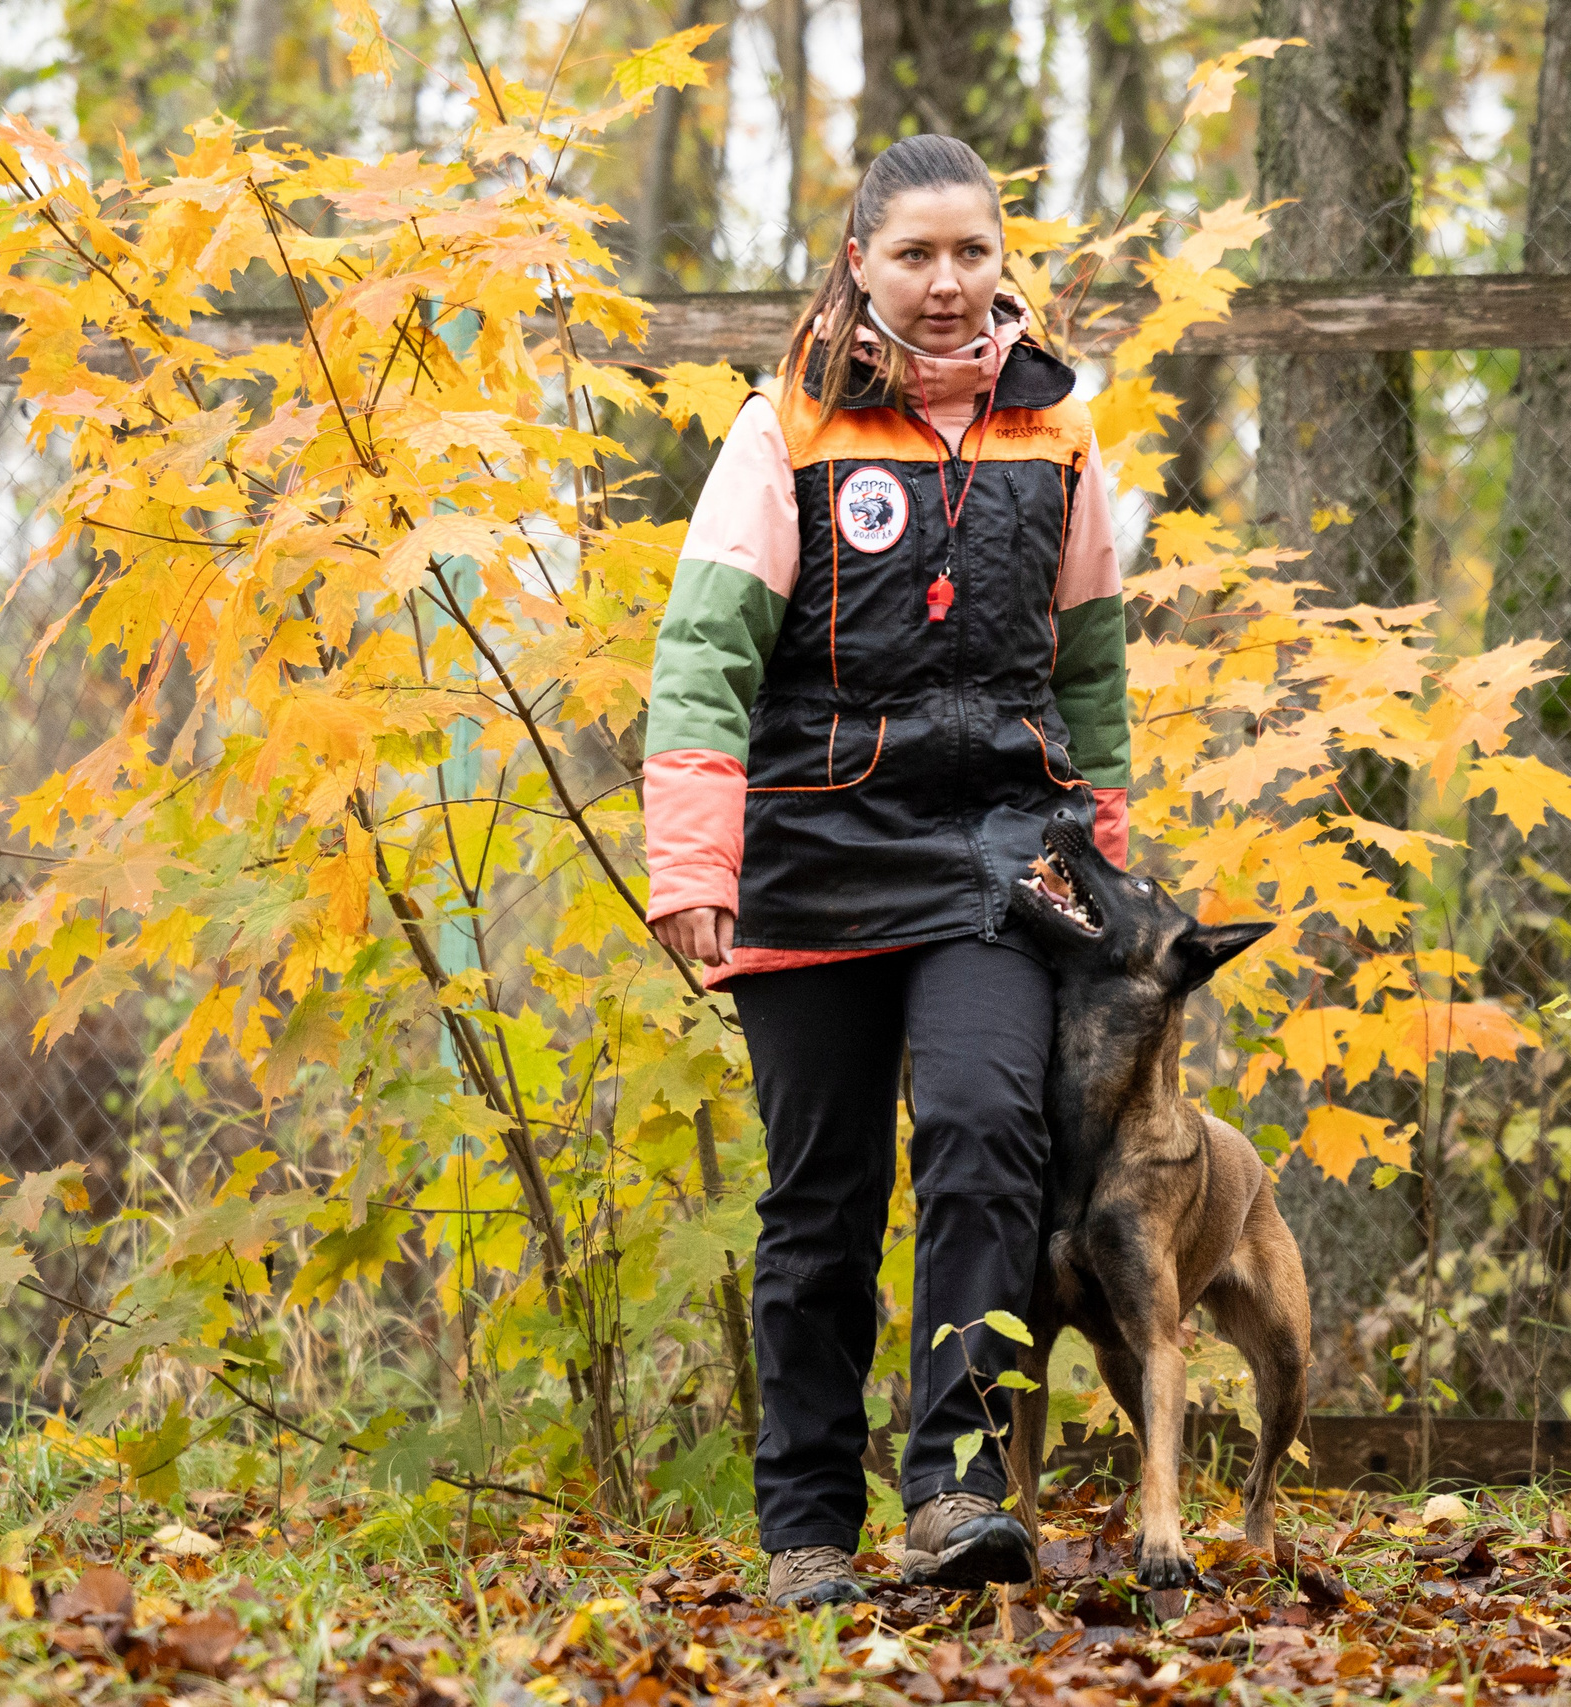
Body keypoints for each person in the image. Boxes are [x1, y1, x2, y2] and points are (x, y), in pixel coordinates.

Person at [640, 134, 1130, 1608]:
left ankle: (956, 1488)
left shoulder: (1060, 432)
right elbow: (704, 657)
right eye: (913, 255)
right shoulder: (780, 429)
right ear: (861, 263)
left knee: (988, 1130)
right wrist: (691, 862)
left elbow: (1093, 670)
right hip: (811, 842)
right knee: (824, 1196)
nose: (944, 282)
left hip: (999, 849)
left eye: (970, 254)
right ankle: (804, 1529)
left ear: (1003, 264)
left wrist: (1105, 861)